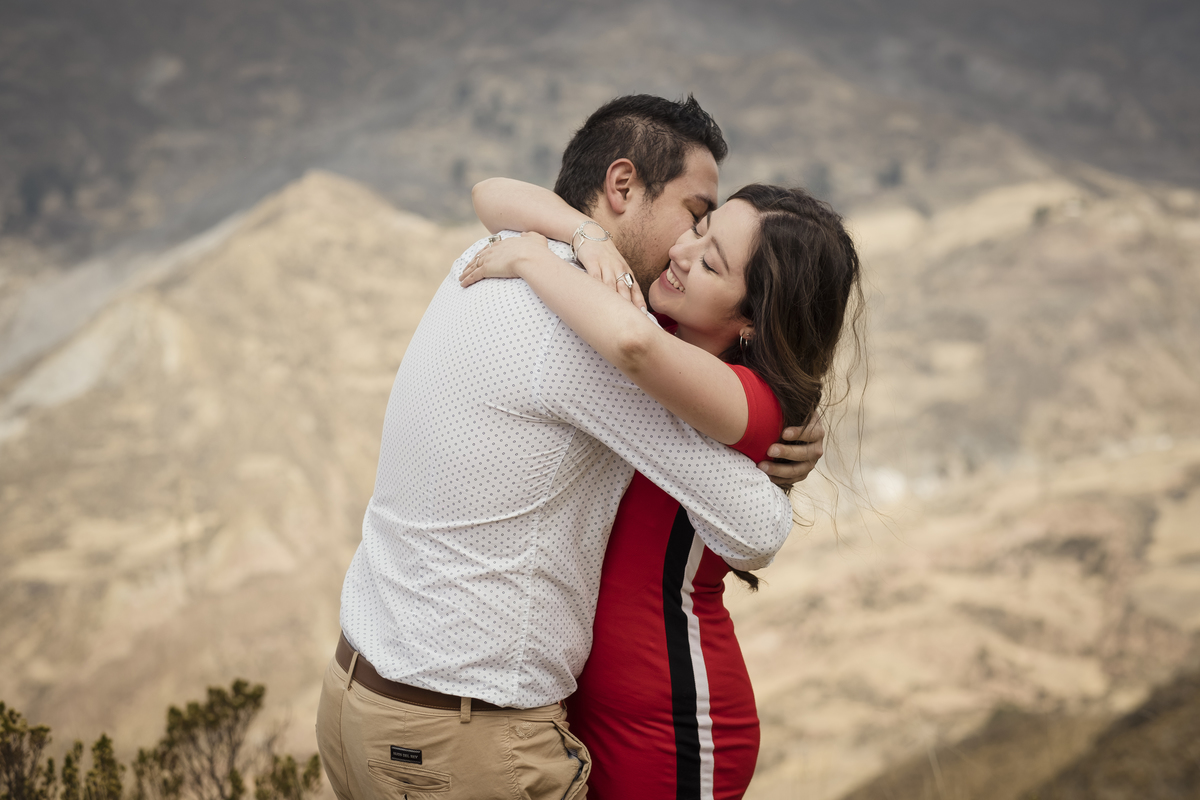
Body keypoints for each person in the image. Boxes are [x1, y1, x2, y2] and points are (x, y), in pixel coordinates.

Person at [316, 94, 824, 800]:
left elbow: (491, 194)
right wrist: (787, 456)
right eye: (695, 214)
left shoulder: (489, 252)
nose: (686, 246)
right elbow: (757, 524)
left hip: (357, 703)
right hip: (460, 744)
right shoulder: (583, 334)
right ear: (623, 187)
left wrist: (578, 242)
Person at [461, 178, 863, 799]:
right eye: (699, 228)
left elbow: (633, 345)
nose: (682, 252)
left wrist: (530, 257)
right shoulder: (662, 328)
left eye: (710, 262)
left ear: (753, 320)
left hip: (672, 721)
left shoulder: (749, 403)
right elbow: (490, 194)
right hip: (579, 702)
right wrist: (584, 234)